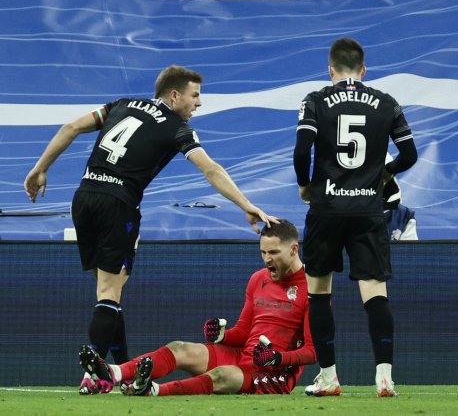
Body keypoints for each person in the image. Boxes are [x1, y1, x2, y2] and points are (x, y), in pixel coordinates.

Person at [23, 65, 276, 394]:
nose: (198, 104)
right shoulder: (176, 127)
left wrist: (39, 169)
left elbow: (72, 126)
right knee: (109, 292)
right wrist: (247, 204)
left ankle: (120, 367)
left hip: (84, 197)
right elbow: (210, 168)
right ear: (174, 96)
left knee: (111, 289)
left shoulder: (121, 104)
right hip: (119, 202)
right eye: (195, 95)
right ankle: (96, 375)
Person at [293, 37, 418, 397]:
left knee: (318, 293)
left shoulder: (315, 100)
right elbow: (409, 152)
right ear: (364, 70)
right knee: (375, 294)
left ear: (330, 68)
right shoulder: (387, 102)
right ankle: (384, 377)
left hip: (326, 209)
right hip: (368, 210)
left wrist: (305, 186)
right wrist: (386, 173)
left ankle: (329, 378)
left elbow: (302, 150)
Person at [78, 219, 316, 396]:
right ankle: (114, 372)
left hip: (274, 374)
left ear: (294, 249)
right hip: (243, 356)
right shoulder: (258, 278)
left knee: (223, 375)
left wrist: (276, 358)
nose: (267, 259)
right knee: (179, 348)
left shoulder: (312, 287)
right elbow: (244, 332)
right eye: (263, 252)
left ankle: (153, 390)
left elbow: (312, 351)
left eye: (274, 252)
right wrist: (223, 336)